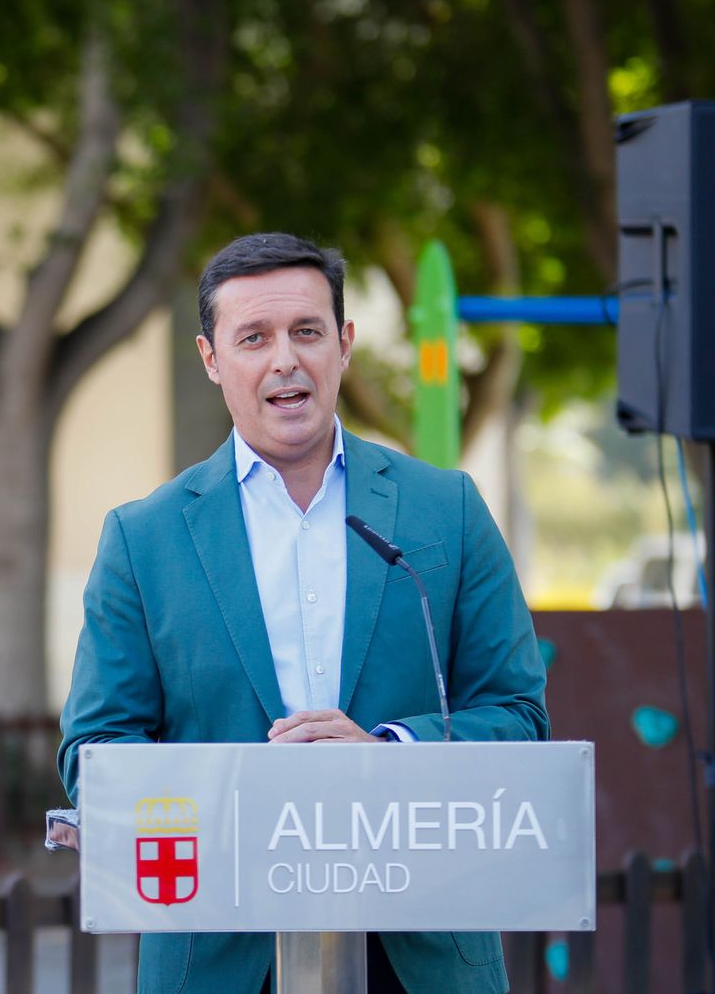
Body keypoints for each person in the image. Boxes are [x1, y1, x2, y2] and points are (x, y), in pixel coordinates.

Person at [57, 233, 549, 994]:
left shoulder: (444, 510)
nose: (284, 359)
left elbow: (518, 712)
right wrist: (247, 788)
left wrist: (384, 750)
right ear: (211, 358)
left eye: (307, 332)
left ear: (345, 345)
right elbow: (96, 749)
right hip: (218, 954)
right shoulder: (143, 539)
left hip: (420, 952)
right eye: (253, 337)